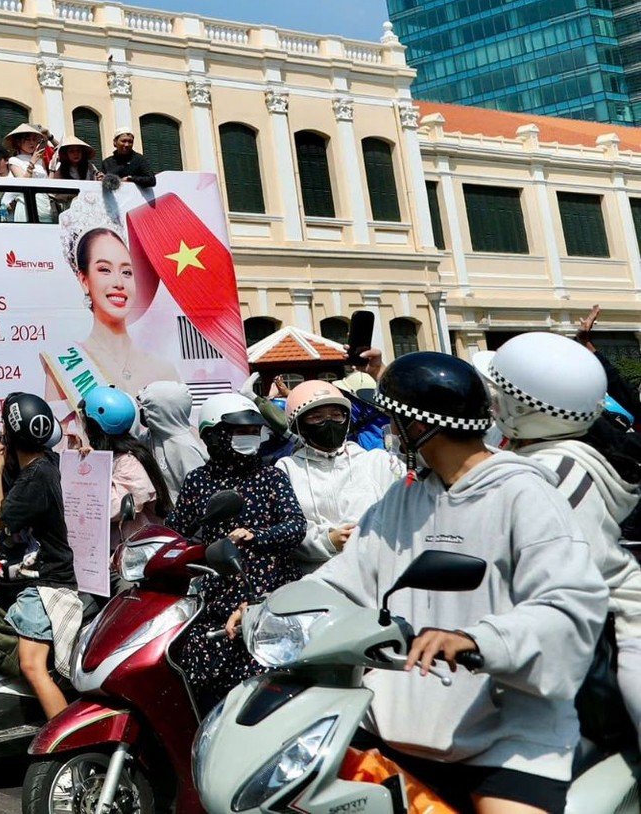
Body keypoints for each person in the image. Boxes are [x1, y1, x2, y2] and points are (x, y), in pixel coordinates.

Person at [258, 352, 607, 814]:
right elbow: (343, 579)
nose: (393, 430)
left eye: (398, 420)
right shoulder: (404, 497)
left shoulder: (524, 493)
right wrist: (272, 606)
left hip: (505, 739)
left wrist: (474, 639)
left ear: (422, 427)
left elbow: (570, 606)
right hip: (394, 725)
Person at [485, 332, 641, 731]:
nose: (492, 402)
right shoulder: (531, 457)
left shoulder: (558, 471)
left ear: (524, 409)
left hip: (616, 614)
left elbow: (564, 567)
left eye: (501, 394)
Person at [167, 392, 305, 709]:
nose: (250, 438)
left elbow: (296, 526)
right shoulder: (199, 481)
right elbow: (176, 530)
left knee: (264, 686)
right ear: (214, 436)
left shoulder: (271, 477)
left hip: (268, 591)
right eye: (240, 432)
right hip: (218, 593)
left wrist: (257, 536)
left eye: (253, 432)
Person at [0, 389, 78, 720]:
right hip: (25, 575)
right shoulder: (38, 460)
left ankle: (66, 744)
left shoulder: (35, 477)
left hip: (45, 583)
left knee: (32, 665)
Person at [45, 193, 179, 398]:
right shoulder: (65, 368)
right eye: (104, 270)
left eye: (126, 272)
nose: (118, 283)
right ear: (83, 280)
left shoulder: (164, 370)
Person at [276, 380, 403, 572]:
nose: (328, 422)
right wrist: (328, 541)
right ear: (298, 425)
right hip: (314, 581)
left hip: (376, 573)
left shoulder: (378, 462)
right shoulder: (286, 469)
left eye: (336, 415)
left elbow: (404, 512)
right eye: (316, 417)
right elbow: (284, 532)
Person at [79, 385, 171, 545]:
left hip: (134, 557)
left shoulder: (129, 463)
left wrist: (87, 474)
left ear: (95, 424)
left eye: (85, 420)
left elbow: (110, 508)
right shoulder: (114, 456)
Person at [138, 380, 208, 492]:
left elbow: (199, 491)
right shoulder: (149, 436)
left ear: (162, 410)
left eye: (147, 407)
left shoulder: (185, 448)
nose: (141, 411)